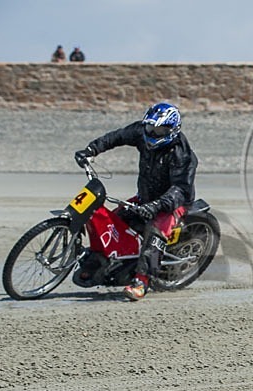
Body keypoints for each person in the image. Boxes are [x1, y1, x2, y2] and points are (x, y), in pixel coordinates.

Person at [74, 102, 198, 301]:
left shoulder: (182, 154)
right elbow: (117, 136)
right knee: (113, 221)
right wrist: (91, 150)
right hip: (145, 197)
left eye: (159, 130)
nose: (153, 133)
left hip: (173, 203)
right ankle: (98, 263)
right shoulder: (141, 132)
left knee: (154, 232)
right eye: (151, 128)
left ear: (172, 130)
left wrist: (157, 206)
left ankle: (142, 281)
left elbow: (180, 189)